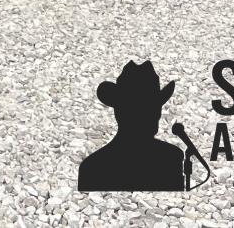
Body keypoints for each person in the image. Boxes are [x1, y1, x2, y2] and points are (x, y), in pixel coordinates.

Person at [78, 61, 187, 192]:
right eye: (147, 109)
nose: (155, 114)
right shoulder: (170, 158)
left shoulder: (92, 167)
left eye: (154, 108)